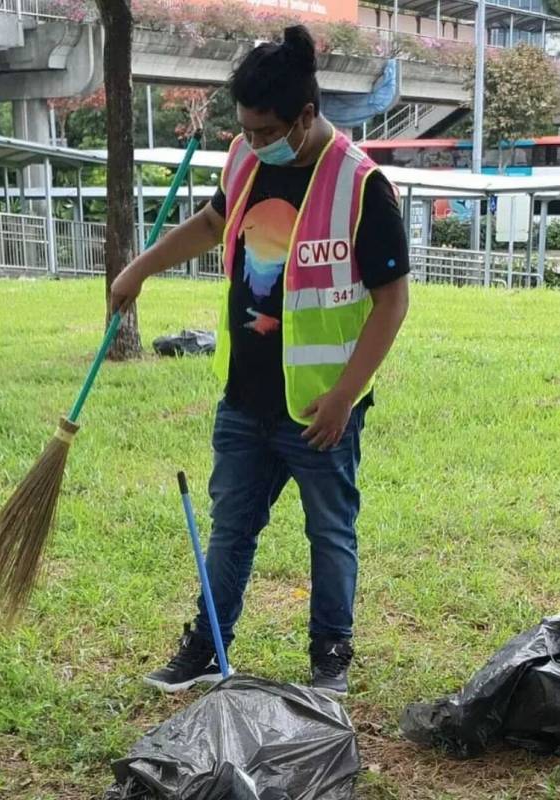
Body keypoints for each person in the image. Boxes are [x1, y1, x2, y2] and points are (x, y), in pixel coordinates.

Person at [111, 25, 410, 696]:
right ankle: (208, 649)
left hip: (318, 410)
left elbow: (391, 302)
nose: (252, 140)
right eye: (244, 128)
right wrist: (140, 268)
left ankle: (329, 655)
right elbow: (215, 223)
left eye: (264, 128)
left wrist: (342, 399)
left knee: (329, 534)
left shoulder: (361, 186)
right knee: (230, 529)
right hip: (245, 399)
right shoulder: (246, 161)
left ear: (305, 115)